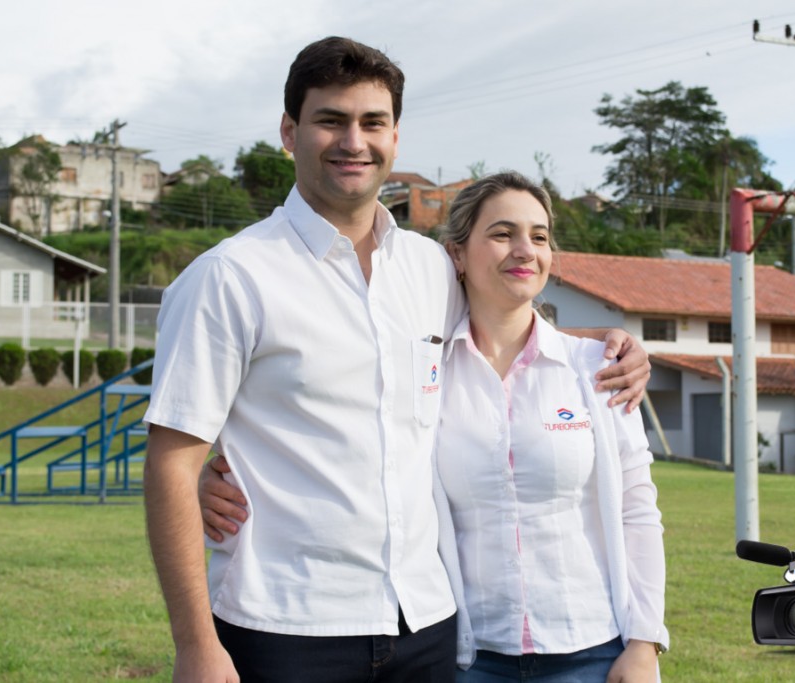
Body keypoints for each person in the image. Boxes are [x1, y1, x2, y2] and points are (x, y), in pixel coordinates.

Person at [145, 36, 651, 683]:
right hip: (285, 624)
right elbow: (171, 460)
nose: (353, 141)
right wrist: (195, 644)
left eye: (372, 122)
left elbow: (505, 319)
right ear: (289, 132)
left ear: (395, 138)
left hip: (425, 624)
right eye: (331, 120)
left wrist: (611, 342)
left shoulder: (429, 268)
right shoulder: (230, 277)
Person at [201, 172, 669, 682]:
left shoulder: (599, 368)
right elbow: (345, 420)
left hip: (591, 650)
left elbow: (637, 509)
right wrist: (221, 473)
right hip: (470, 656)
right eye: (502, 233)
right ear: (457, 256)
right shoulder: (425, 370)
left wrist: (644, 642)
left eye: (539, 237)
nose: (524, 250)